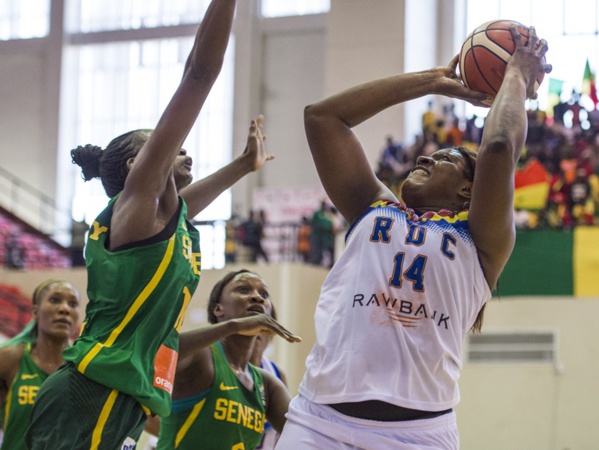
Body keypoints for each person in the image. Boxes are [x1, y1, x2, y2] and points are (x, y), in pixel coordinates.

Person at [276, 26, 551, 449]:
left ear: (467, 190)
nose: (425, 155)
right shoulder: (372, 206)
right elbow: (323, 118)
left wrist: (515, 73)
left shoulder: (479, 240)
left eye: (443, 159)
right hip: (320, 422)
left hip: (418, 434)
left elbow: (497, 146)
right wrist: (432, 81)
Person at [26, 1, 273, 448]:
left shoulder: (162, 223)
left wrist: (242, 166)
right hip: (95, 388)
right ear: (139, 164)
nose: (185, 152)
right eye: (174, 149)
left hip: (123, 395)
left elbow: (190, 204)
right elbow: (199, 74)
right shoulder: (136, 205)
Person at [156, 269, 300, 449]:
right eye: (243, 290)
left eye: (263, 294)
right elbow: (156, 353)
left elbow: (303, 437)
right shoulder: (203, 357)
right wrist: (232, 327)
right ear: (218, 309)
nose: (257, 297)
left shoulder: (267, 384)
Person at [0, 280, 80, 450]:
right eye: (55, 300)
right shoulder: (10, 358)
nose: (64, 309)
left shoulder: (86, 367)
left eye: (72, 304)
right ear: (35, 311)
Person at [249, 306, 289, 450]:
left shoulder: (276, 374)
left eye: (261, 321)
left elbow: (288, 433)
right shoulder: (209, 360)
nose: (255, 328)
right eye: (248, 321)